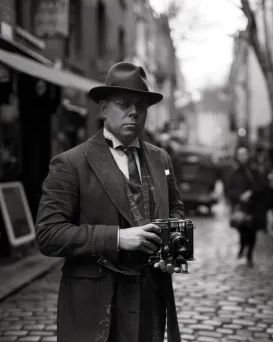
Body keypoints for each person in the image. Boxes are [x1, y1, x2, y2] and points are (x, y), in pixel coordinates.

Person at [35, 62, 184, 342]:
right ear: (103, 108)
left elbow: (174, 207)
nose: (134, 112)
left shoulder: (160, 158)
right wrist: (117, 238)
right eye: (124, 103)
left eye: (141, 105)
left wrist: (172, 251)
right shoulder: (70, 164)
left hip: (150, 300)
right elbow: (48, 234)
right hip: (96, 302)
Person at [225, 146, 268, 267]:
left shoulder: (254, 171)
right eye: (240, 154)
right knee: (242, 230)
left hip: (253, 206)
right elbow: (229, 189)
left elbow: (262, 186)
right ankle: (242, 247)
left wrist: (251, 193)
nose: (242, 157)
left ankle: (249, 254)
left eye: (244, 154)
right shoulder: (234, 172)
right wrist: (239, 196)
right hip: (241, 207)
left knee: (252, 230)